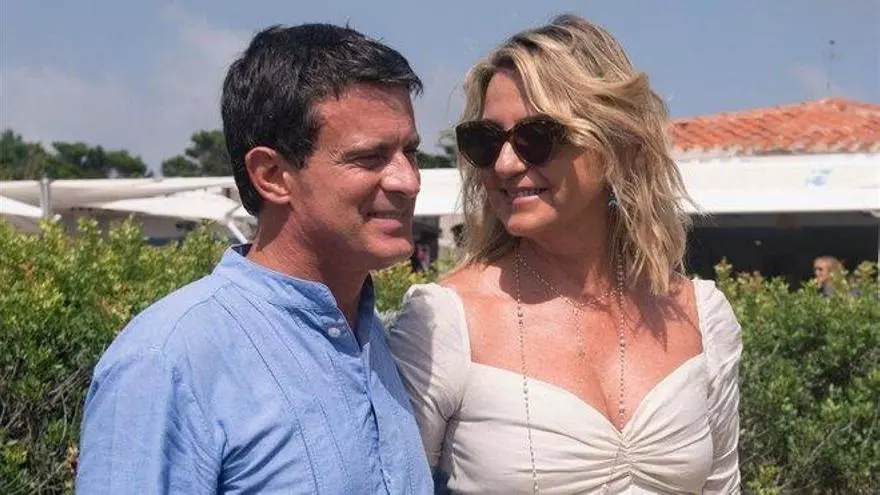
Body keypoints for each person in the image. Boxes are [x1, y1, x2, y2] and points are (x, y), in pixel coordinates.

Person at [389, 14, 743, 494]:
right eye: (485, 141)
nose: (505, 164)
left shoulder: (700, 316)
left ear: (615, 143)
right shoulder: (445, 322)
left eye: (537, 137)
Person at [76, 23, 432, 494]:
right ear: (272, 175)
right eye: (370, 158)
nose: (408, 180)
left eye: (410, 152)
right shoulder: (166, 362)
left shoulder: (370, 337)